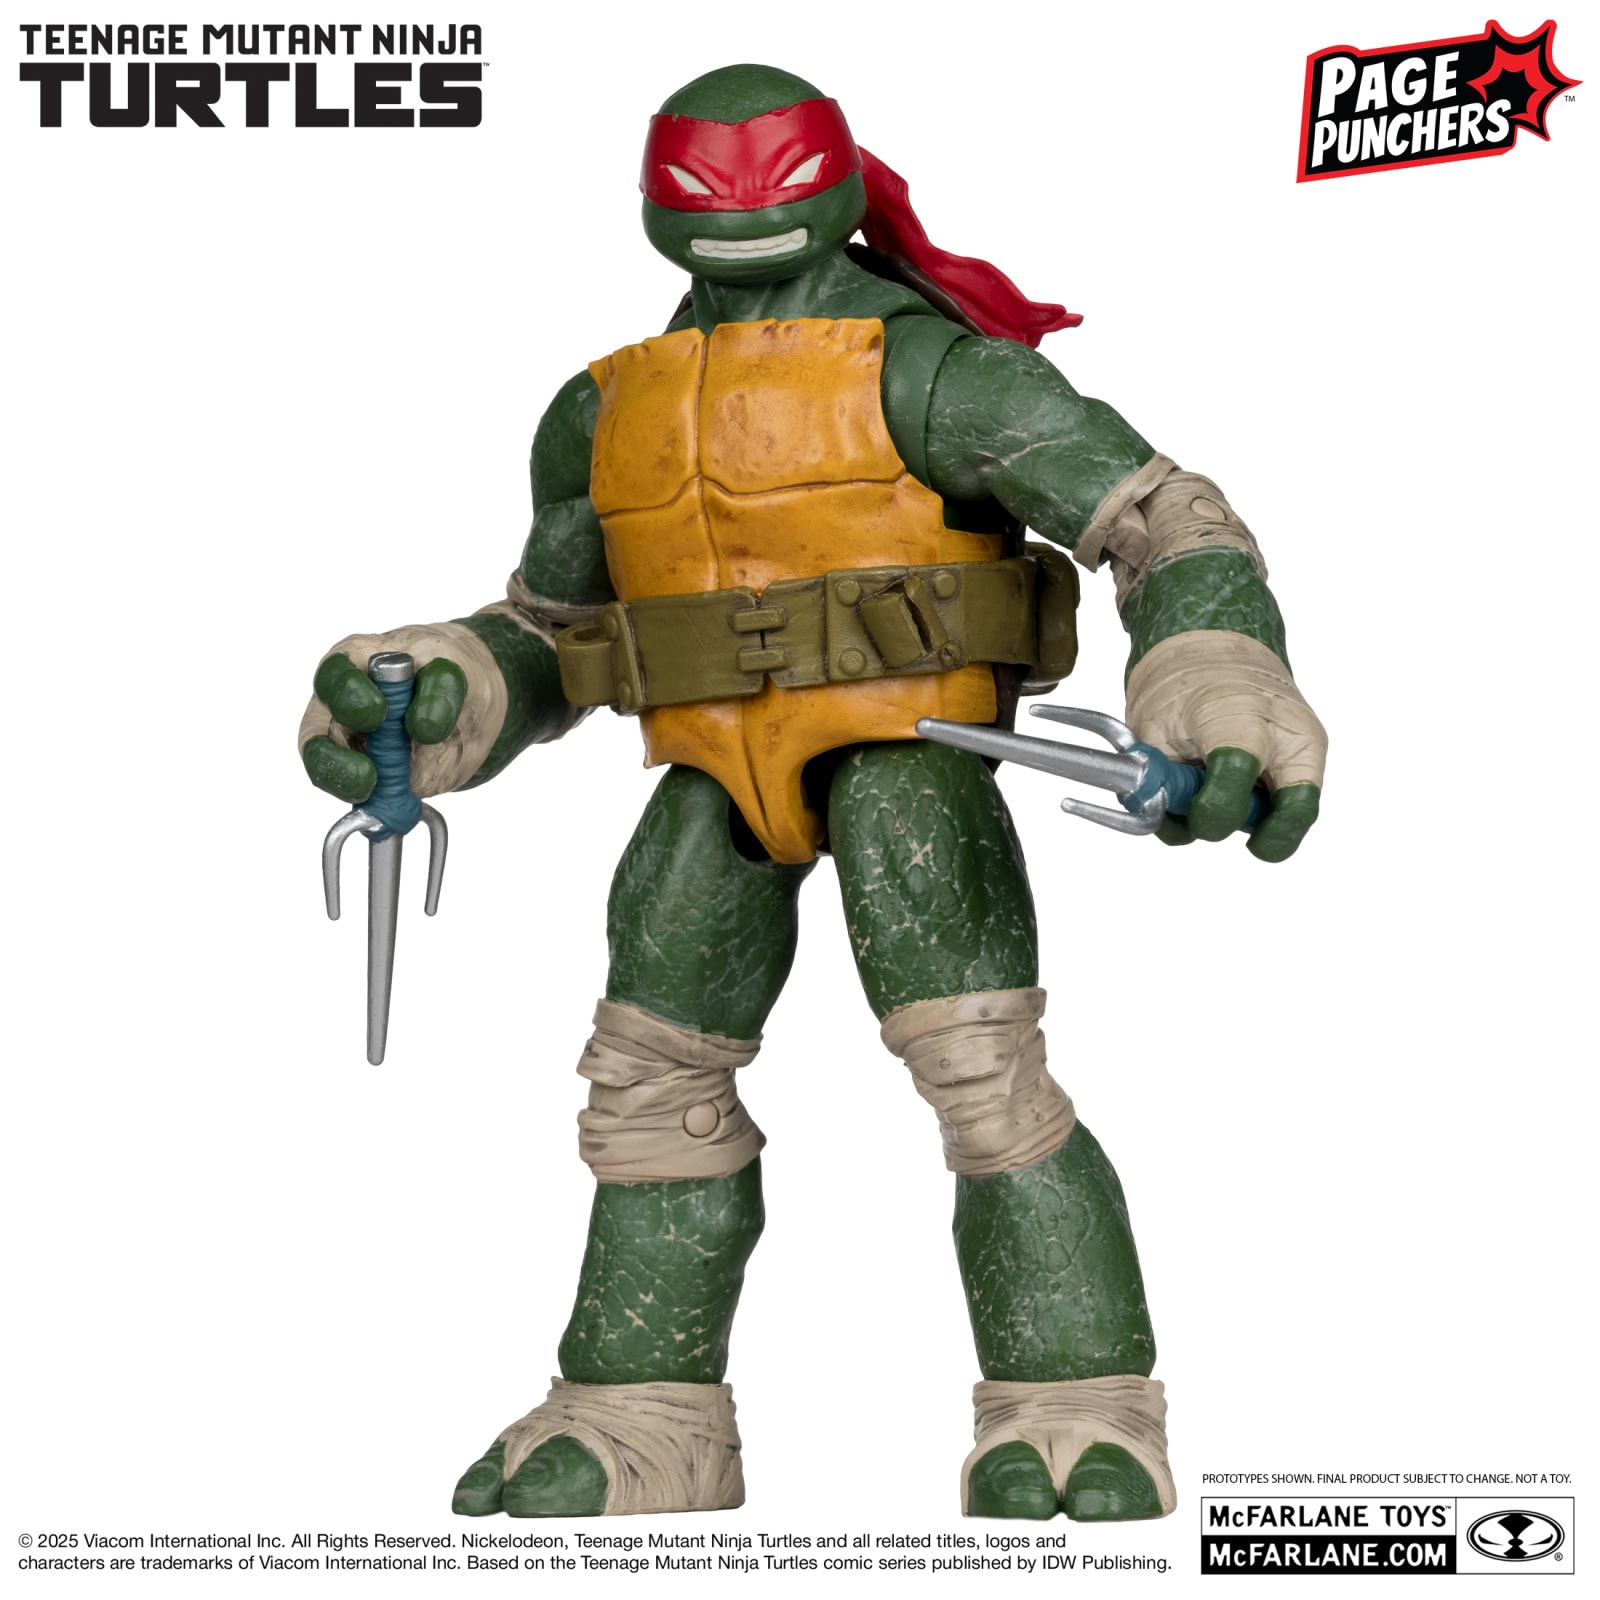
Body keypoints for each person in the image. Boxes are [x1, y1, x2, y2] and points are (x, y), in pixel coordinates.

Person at [299, 63, 1327, 1521]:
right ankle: (640, 1418)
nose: (734, 206)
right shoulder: (603, 412)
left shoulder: (933, 374)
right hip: (708, 780)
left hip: (914, 763)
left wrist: (1214, 667)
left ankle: (1076, 1401)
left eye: (767, 175)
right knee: (646, 1094)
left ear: (839, 187)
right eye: (699, 180)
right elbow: (553, 629)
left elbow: (1164, 519)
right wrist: (442, 690)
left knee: (983, 1082)